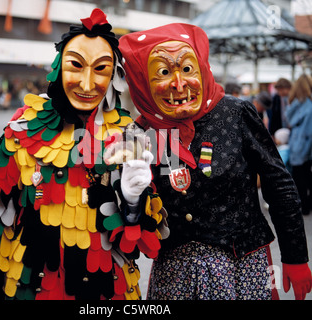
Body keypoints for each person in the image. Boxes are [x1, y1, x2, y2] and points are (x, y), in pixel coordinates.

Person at [0, 8, 166, 300]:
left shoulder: (128, 134)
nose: (87, 85)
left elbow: (138, 244)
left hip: (106, 288)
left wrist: (133, 202)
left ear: (114, 75)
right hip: (27, 285)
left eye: (100, 69)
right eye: (76, 65)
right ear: (59, 67)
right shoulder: (23, 128)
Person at [119, 23, 312, 300]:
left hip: (243, 267)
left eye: (186, 69)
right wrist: (130, 198)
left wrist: (295, 255)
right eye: (163, 72)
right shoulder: (138, 134)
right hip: (176, 277)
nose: (179, 83)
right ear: (141, 81)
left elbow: (278, 184)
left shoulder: (236, 113)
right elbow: (128, 220)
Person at [285, 74, 312, 216]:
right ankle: (307, 205)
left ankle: (304, 206)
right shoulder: (308, 105)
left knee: (299, 178)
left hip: (299, 145)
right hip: (305, 145)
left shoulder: (297, 105)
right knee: (307, 176)